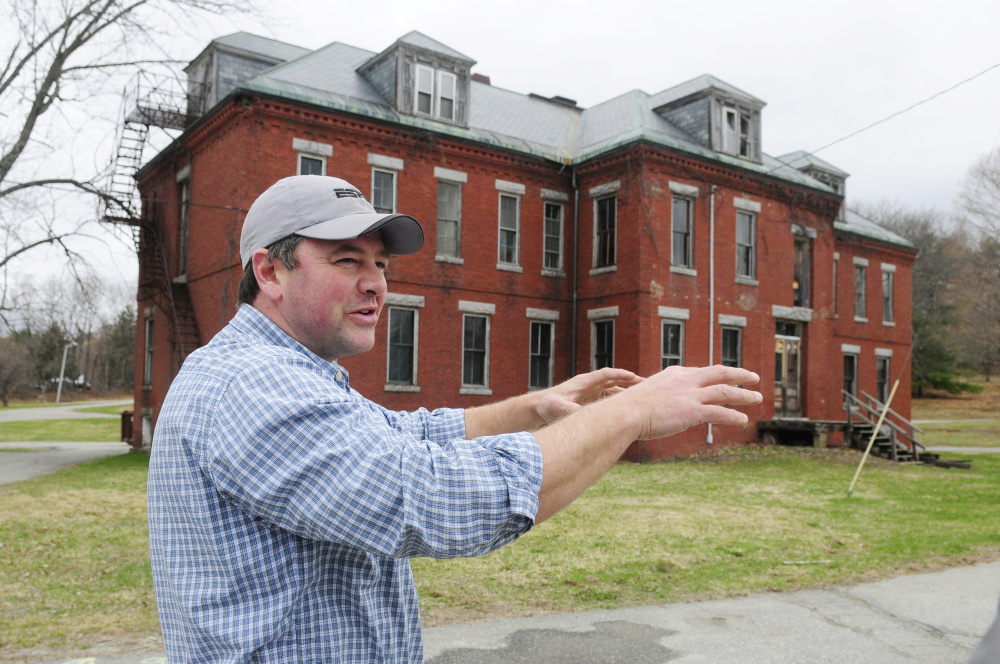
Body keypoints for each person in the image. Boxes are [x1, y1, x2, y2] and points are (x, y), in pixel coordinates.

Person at [147, 174, 762, 663]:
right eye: (346, 261)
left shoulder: (284, 372)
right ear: (269, 271)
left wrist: (532, 407)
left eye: (381, 265)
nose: (375, 285)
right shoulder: (252, 385)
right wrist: (634, 411)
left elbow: (402, 435)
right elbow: (434, 499)